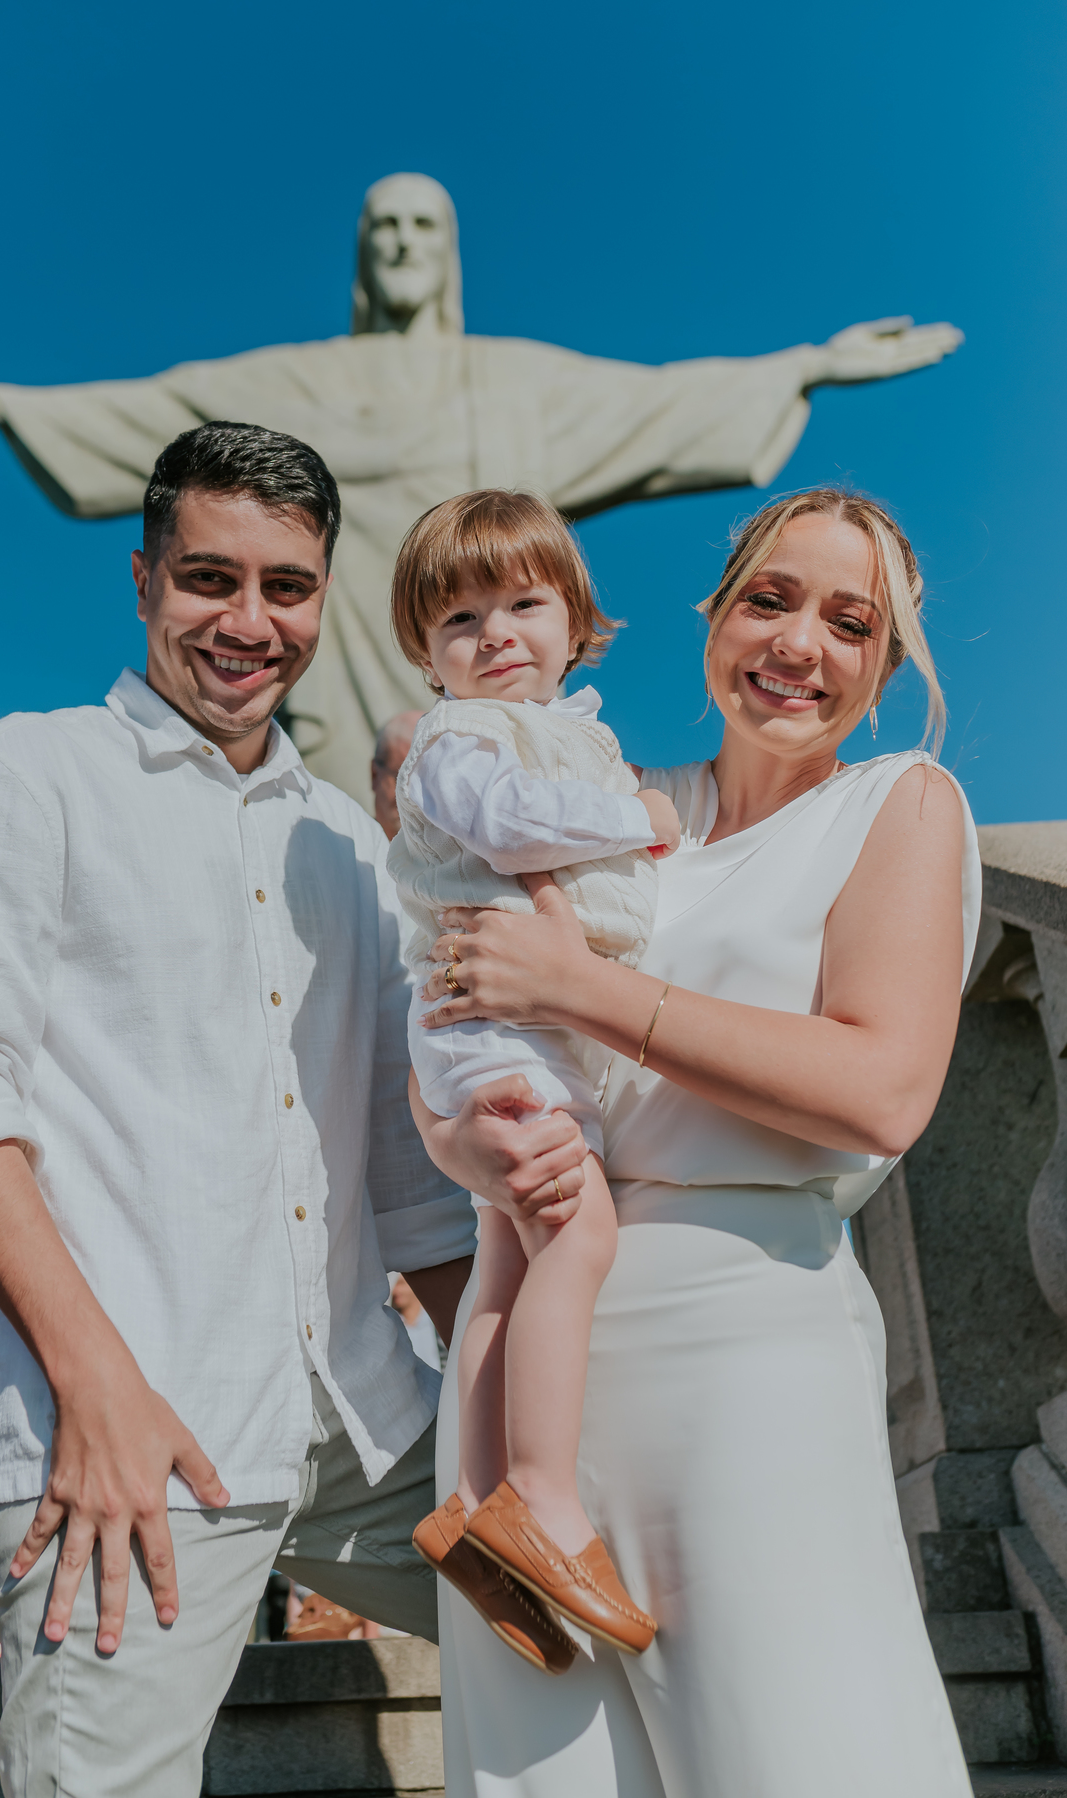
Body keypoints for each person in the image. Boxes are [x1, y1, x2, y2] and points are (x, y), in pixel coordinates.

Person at [0, 420, 535, 1797]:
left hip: (371, 1428)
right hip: (119, 1429)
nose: (248, 621)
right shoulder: (21, 770)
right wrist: (92, 1378)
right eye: (207, 579)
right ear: (141, 579)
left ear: (324, 596)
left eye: (285, 587)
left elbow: (409, 1182)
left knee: (591, 1638)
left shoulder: (355, 846)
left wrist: (529, 1412)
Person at [412, 487, 981, 1796]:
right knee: (542, 1772)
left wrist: (584, 989)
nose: (802, 645)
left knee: (796, 1750)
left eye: (852, 622)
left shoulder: (900, 803)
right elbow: (446, 995)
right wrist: (463, 1149)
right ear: (714, 615)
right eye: (771, 600)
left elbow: (884, 1088)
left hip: (748, 1347)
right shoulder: (597, 796)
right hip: (527, 1359)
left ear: (884, 665)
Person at [0, 172, 962, 803]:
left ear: (446, 253)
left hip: (483, 671)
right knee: (351, 822)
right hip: (346, 656)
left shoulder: (515, 378)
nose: (399, 244)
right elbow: (161, 407)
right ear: (361, 252)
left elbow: (654, 400)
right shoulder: (300, 381)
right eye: (381, 228)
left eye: (420, 229)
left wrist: (805, 364)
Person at [386, 491, 677, 1666]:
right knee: (579, 1238)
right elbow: (507, 828)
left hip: (518, 1030)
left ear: (575, 618)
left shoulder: (566, 730)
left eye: (522, 603)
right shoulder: (461, 739)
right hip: (497, 1034)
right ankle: (546, 1503)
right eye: (460, 618)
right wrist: (639, 820)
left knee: (508, 1256)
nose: (495, 632)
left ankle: (472, 1504)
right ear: (426, 652)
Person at [371, 711, 426, 840]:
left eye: (427, 782)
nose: (415, 797)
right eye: (403, 779)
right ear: (374, 775)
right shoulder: (350, 853)